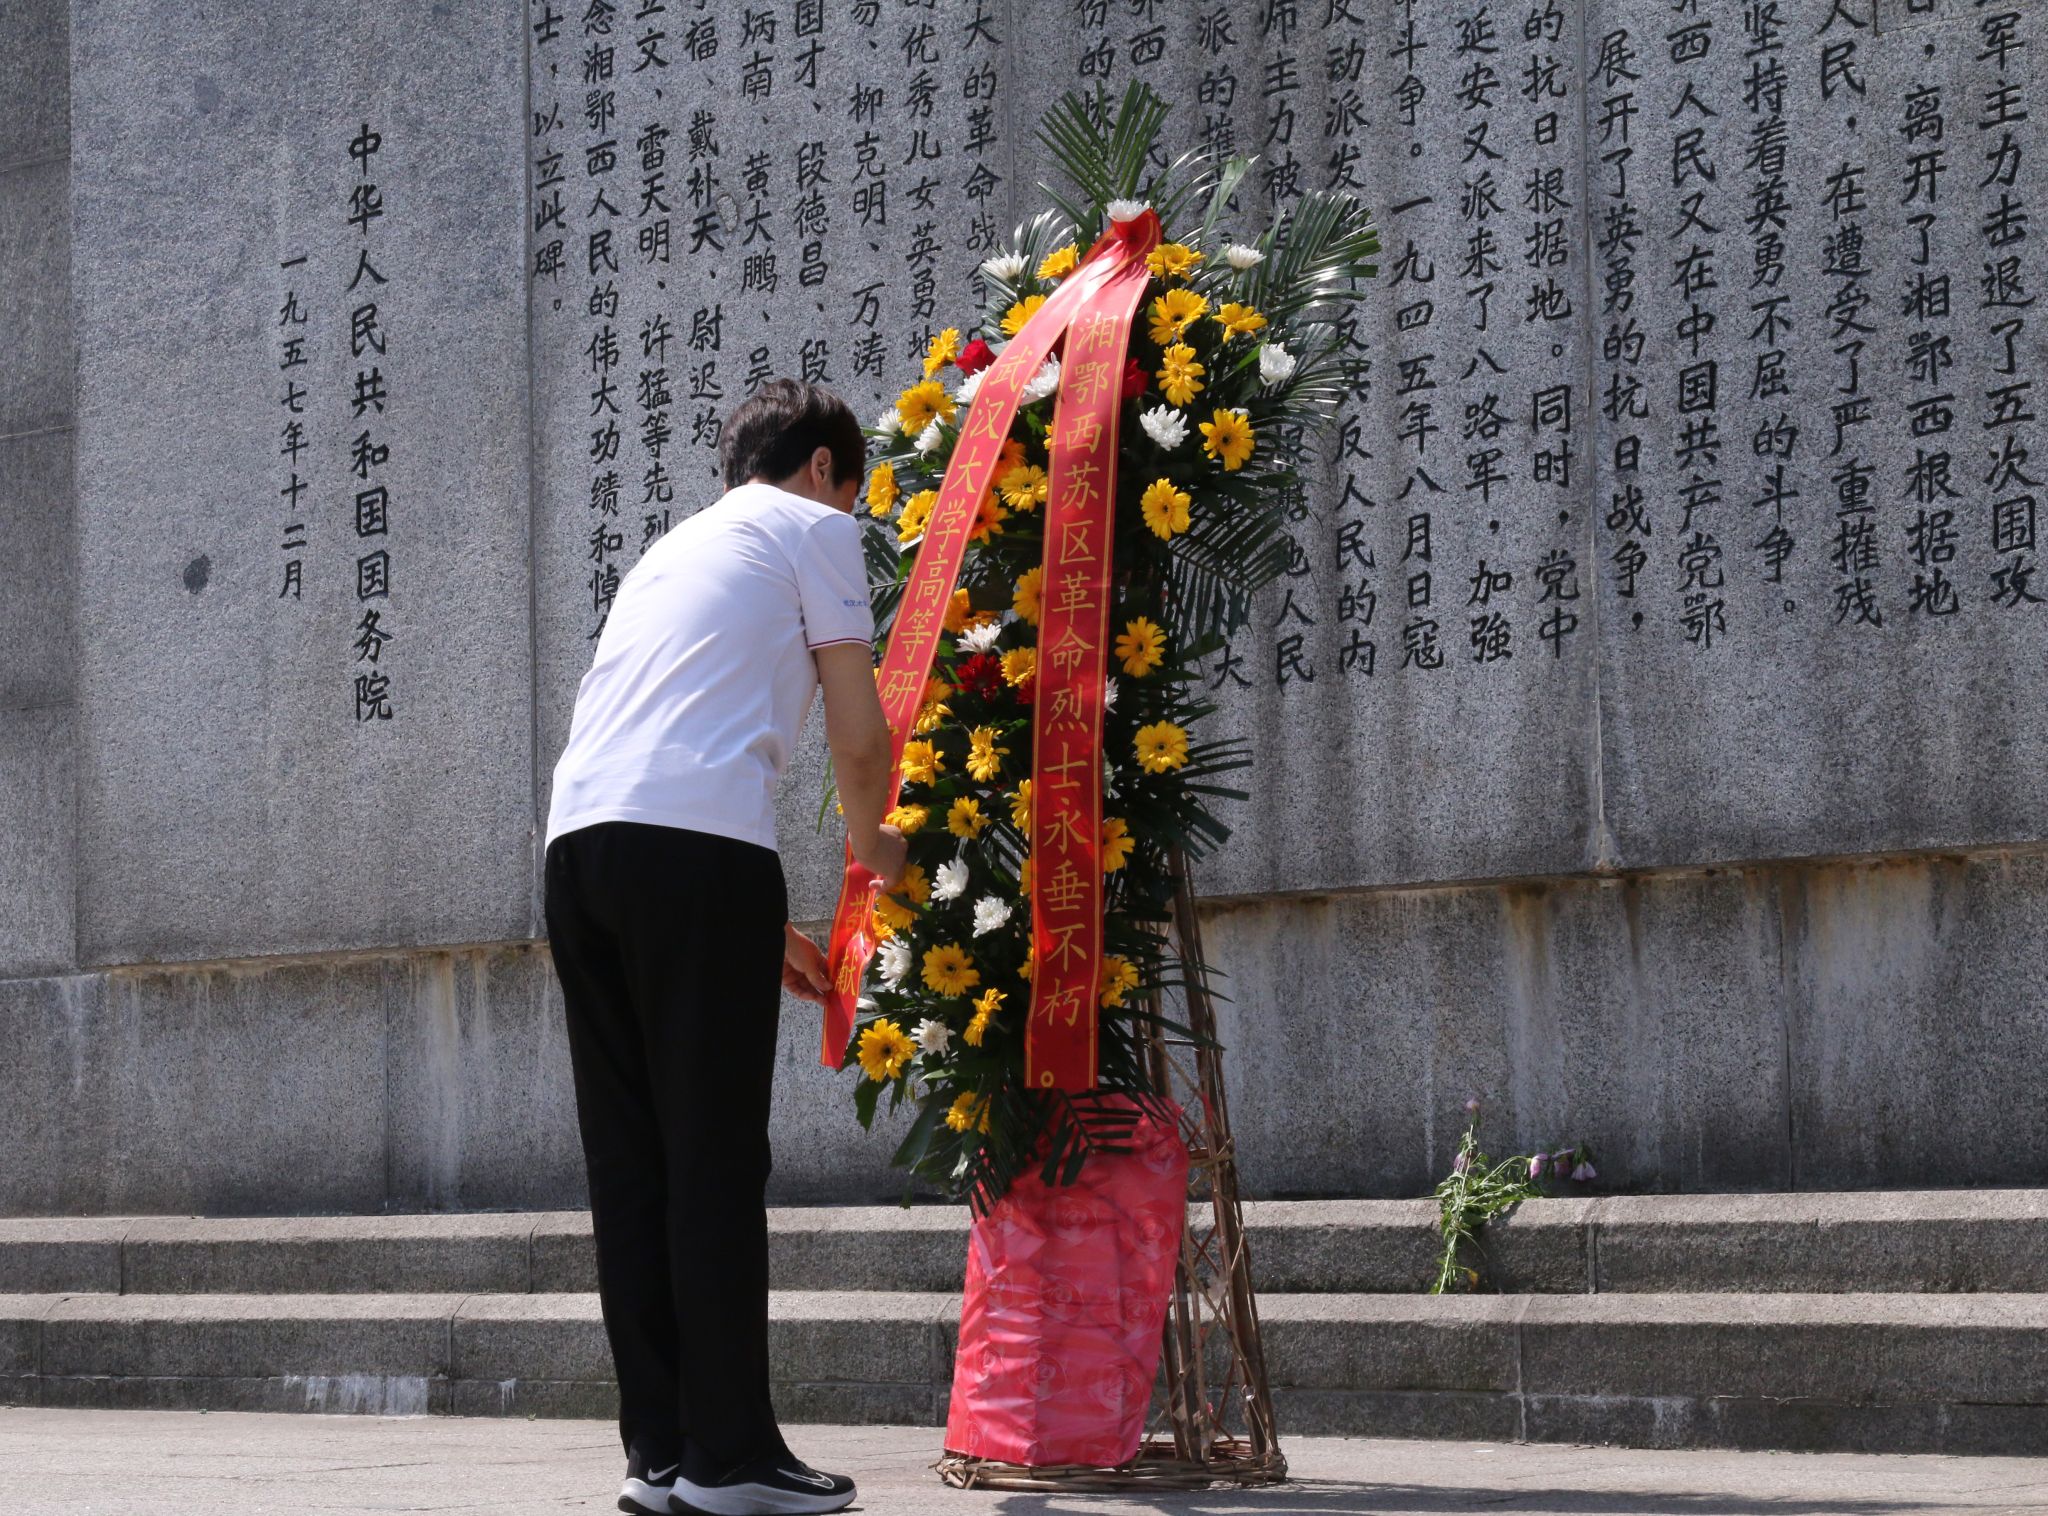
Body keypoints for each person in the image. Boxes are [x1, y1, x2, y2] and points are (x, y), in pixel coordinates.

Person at [541, 378, 906, 1516]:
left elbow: (664, 740)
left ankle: (659, 1453)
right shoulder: (813, 527)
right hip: (694, 857)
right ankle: (732, 1459)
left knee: (633, 1162)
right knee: (710, 1156)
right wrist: (881, 853)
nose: (850, 512)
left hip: (580, 852)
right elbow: (857, 733)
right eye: (852, 490)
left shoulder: (670, 549)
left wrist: (764, 924)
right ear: (822, 468)